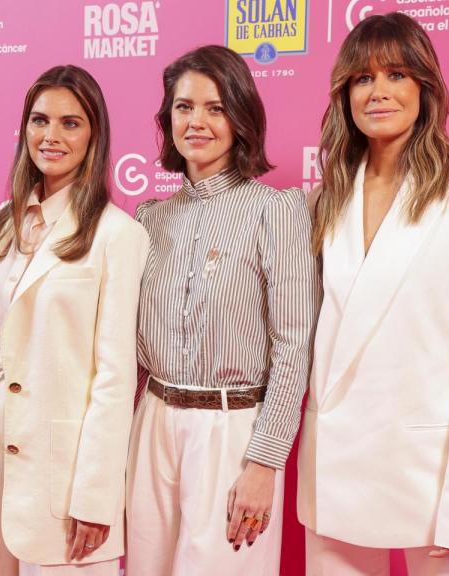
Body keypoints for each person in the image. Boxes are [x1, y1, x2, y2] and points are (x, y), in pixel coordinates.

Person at [297, 12, 449, 576]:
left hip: (434, 479)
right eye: (361, 78)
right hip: (336, 474)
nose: (378, 92)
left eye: (396, 74)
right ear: (344, 93)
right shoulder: (324, 200)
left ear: (426, 86)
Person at [0, 64, 148, 576]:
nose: (51, 135)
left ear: (95, 134)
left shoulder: (117, 235)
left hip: (62, 467)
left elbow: (115, 374)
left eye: (70, 123)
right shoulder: (3, 220)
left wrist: (96, 496)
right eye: (39, 120)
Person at [127, 45, 319, 575]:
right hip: (153, 421)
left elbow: (294, 346)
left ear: (240, 117)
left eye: (215, 108)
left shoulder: (276, 211)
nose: (197, 121)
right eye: (184, 107)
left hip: (232, 429)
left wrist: (264, 461)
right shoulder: (148, 218)